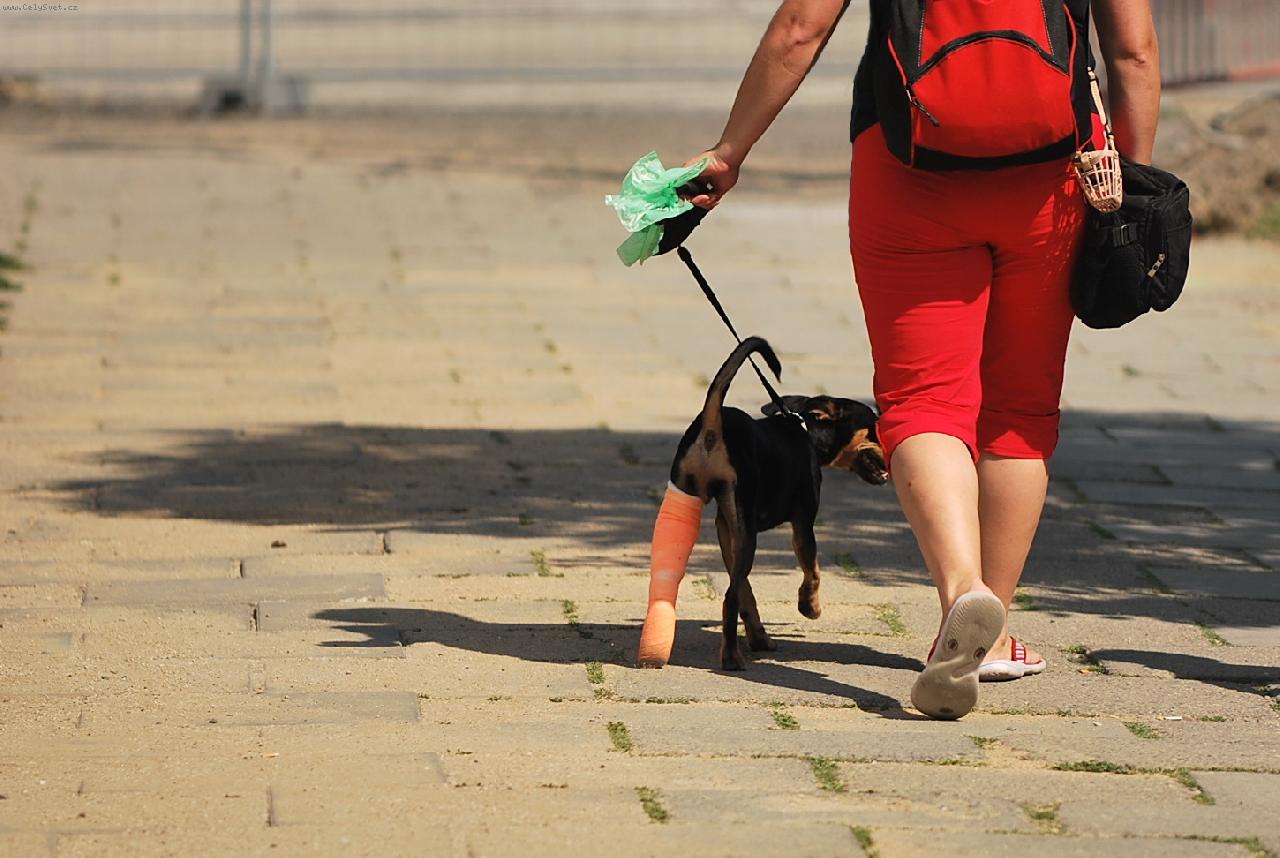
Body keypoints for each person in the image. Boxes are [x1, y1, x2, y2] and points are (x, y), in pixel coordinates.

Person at [682, 0, 1160, 719]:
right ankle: (991, 631)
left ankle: (963, 590)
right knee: (1021, 409)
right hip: (1056, 173)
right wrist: (1133, 187)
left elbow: (800, 29)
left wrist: (730, 152)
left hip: (907, 165)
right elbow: (1134, 51)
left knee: (924, 402)